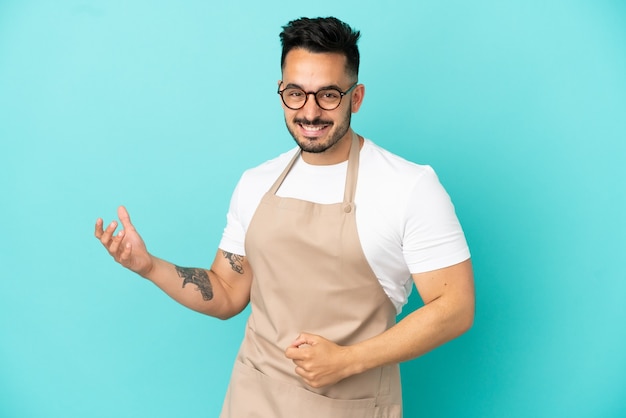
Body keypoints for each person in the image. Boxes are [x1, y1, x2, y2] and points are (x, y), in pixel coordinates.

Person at [94, 16, 475, 418]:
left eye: (328, 95)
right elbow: (226, 291)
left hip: (348, 406)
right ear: (281, 93)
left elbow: (455, 306)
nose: (310, 112)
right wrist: (150, 266)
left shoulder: (409, 186)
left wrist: (349, 360)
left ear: (356, 97)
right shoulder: (256, 182)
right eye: (296, 93)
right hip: (252, 400)